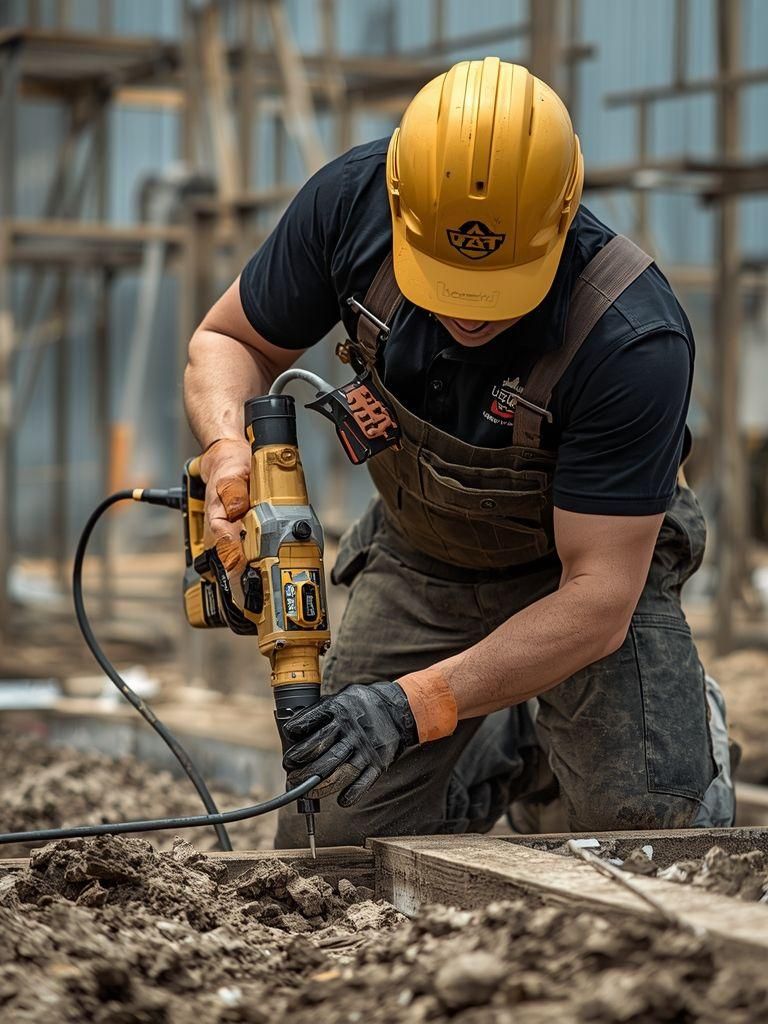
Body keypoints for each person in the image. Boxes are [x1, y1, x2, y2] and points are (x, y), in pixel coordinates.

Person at [183, 57, 734, 847]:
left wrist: (416, 706)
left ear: (562, 213)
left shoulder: (632, 337)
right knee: (331, 840)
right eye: (446, 281)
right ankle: (504, 738)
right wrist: (227, 448)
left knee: (642, 831)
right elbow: (227, 338)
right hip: (422, 560)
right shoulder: (352, 205)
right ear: (403, 210)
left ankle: (632, 732)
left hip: (576, 581)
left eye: (498, 285)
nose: (469, 318)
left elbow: (600, 597)